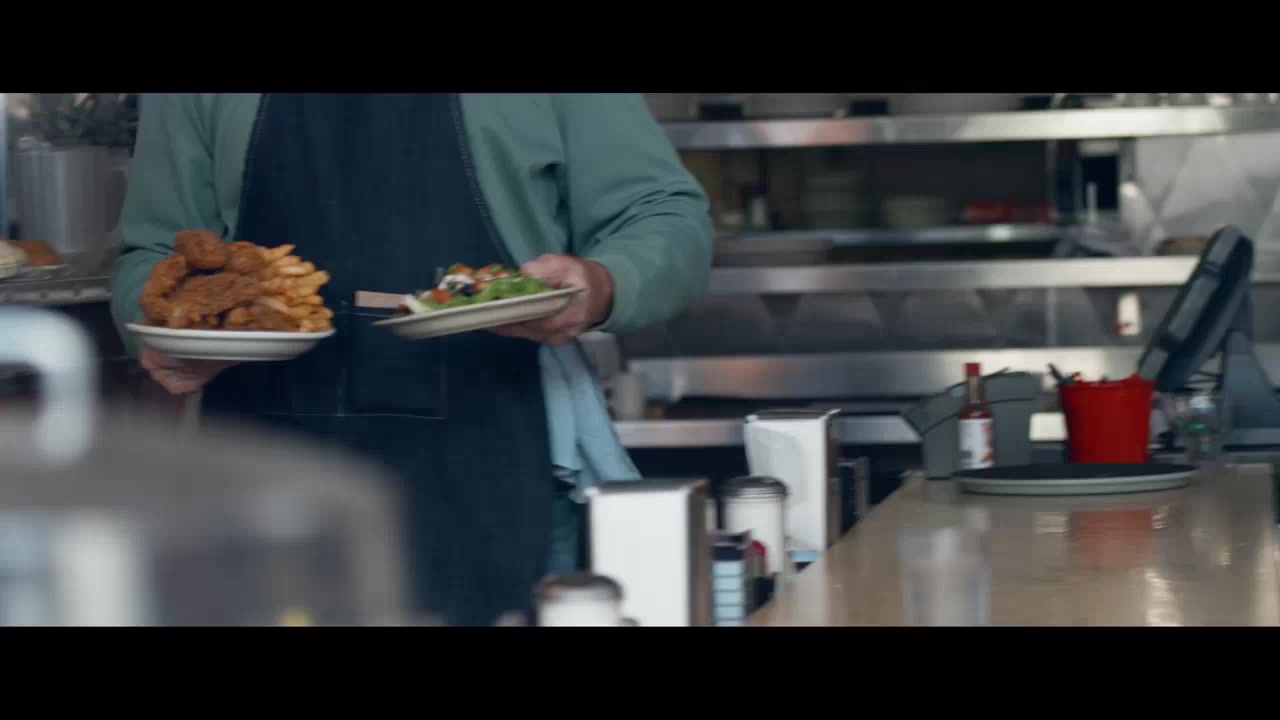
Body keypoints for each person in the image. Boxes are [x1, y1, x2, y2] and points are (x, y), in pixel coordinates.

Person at [110, 93, 712, 625]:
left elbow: (663, 213)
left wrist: (604, 283)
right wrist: (170, 331)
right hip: (265, 484)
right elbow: (155, 250)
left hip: (497, 460)